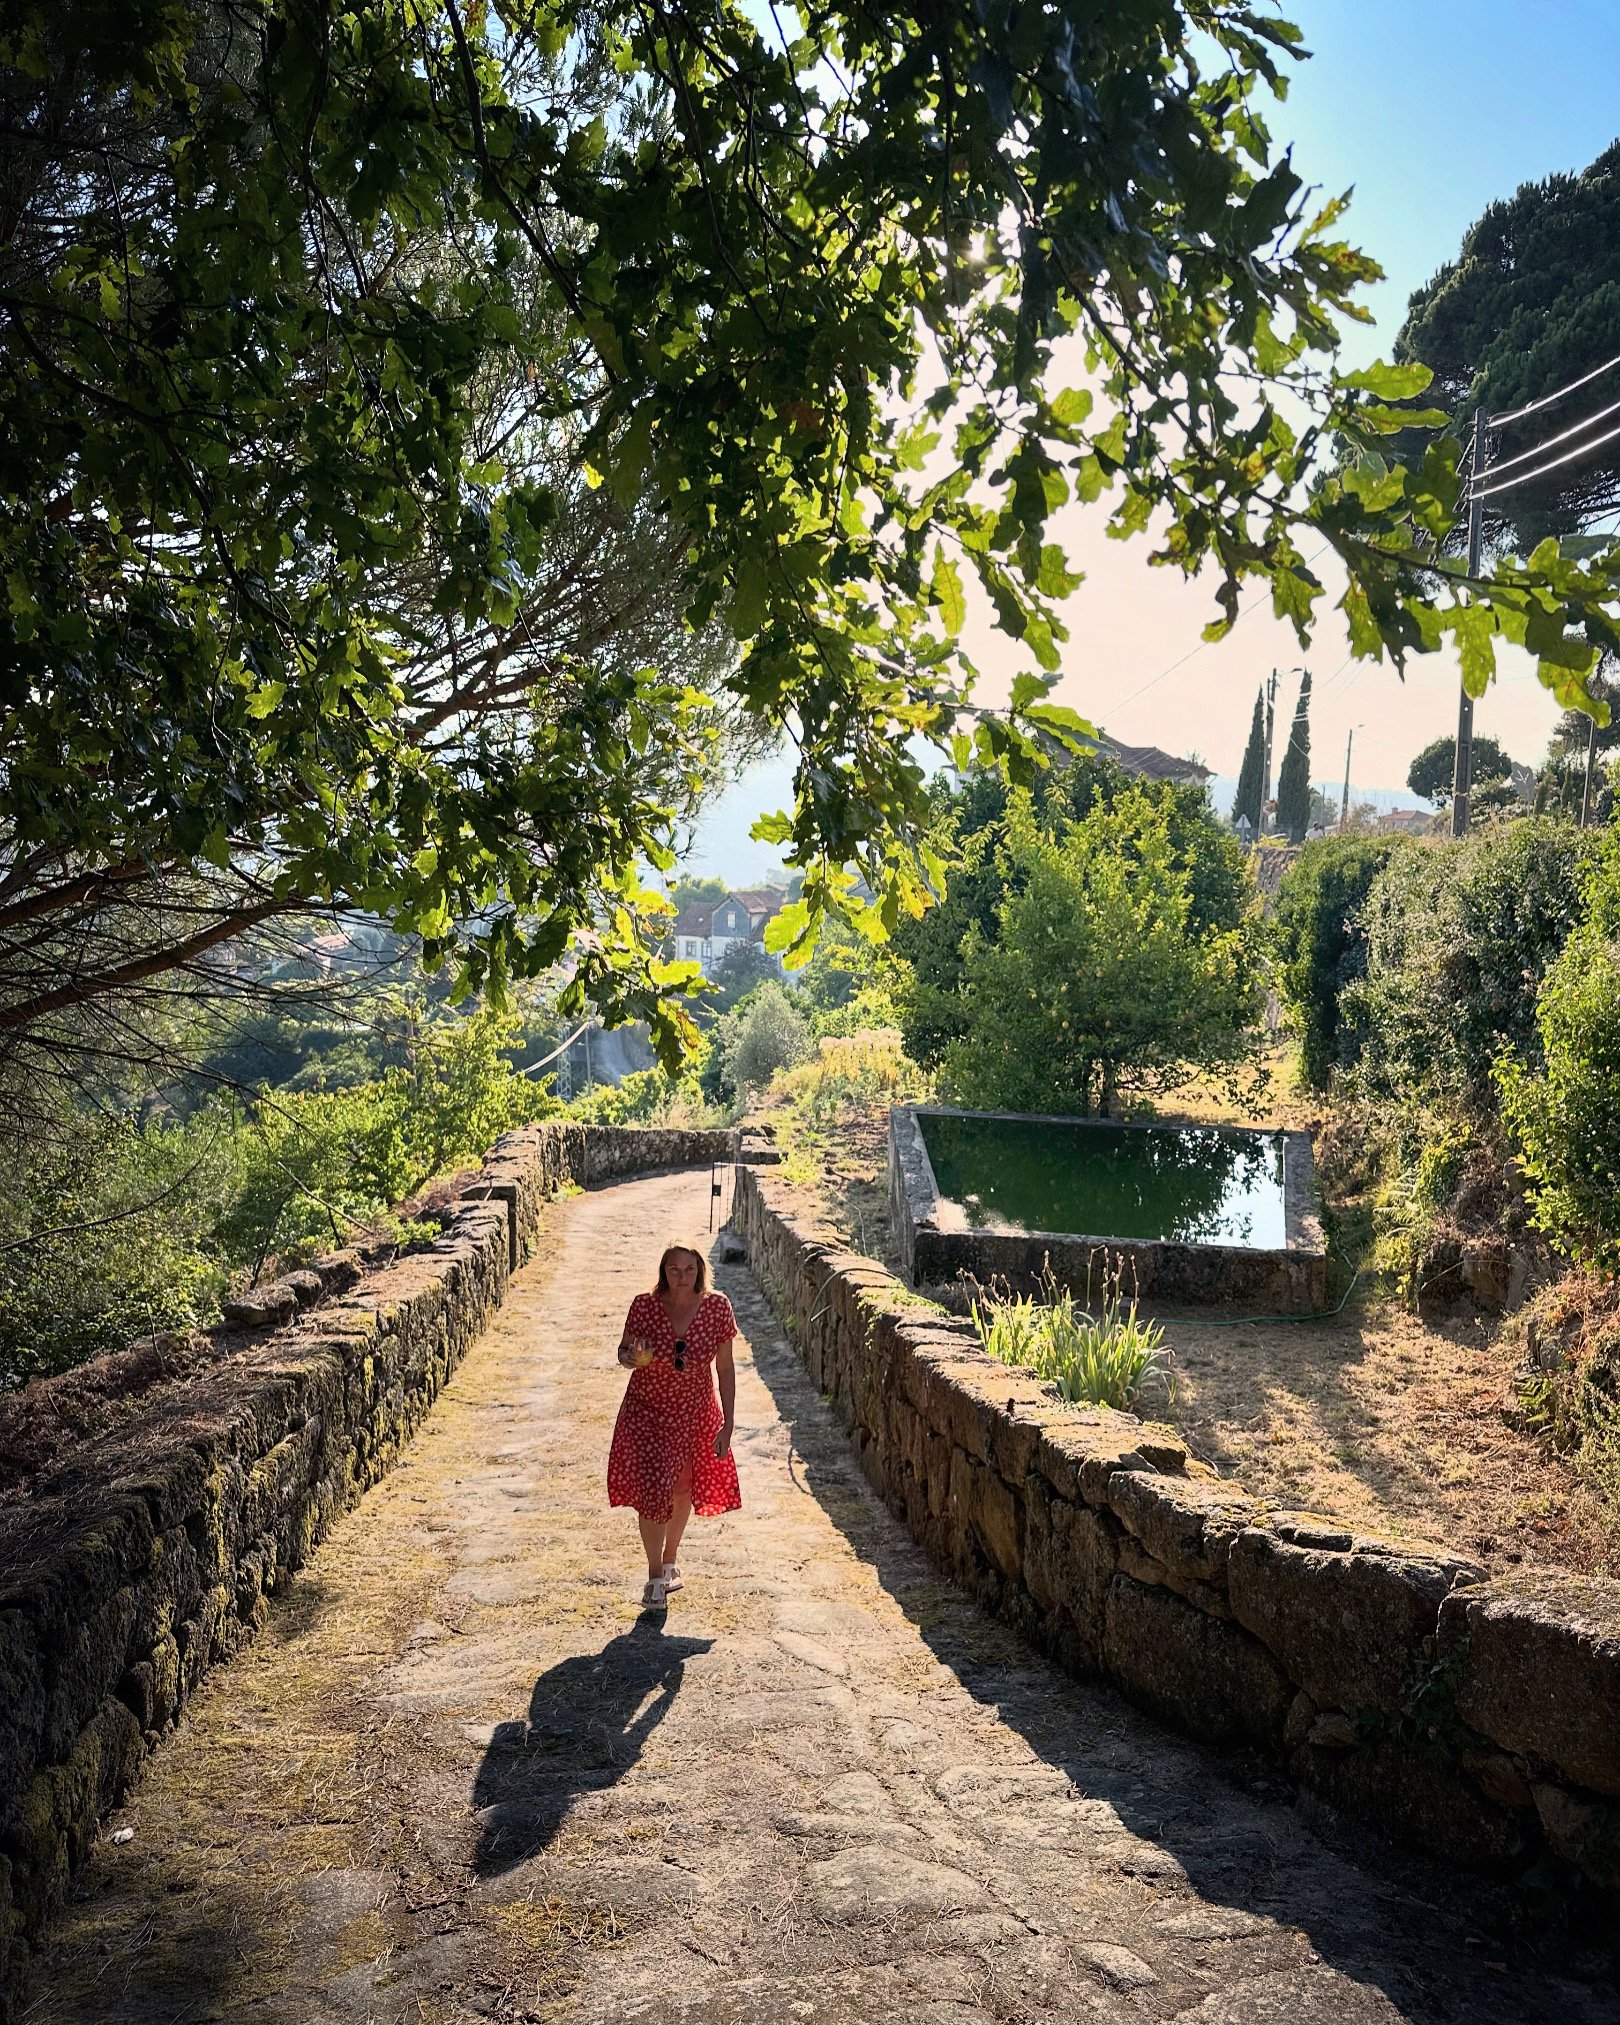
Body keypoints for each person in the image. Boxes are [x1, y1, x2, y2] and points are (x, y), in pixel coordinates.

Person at [607, 1242, 740, 1610]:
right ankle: (653, 1577)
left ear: (700, 1271)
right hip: (647, 1411)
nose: (682, 1278)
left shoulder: (717, 1308)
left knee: (682, 1489)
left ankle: (670, 1560)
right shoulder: (644, 1306)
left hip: (694, 1412)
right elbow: (622, 1352)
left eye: (689, 1270)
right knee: (652, 1491)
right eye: (674, 1270)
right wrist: (630, 1358)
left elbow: (725, 1369)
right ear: (663, 1272)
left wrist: (728, 1422)